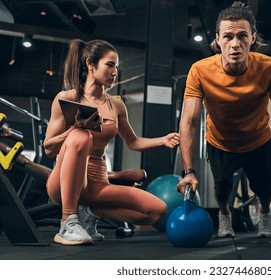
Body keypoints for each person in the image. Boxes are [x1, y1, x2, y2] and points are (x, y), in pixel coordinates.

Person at [177, 1, 271, 238]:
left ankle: (266, 213)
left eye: (242, 36)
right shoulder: (200, 70)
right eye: (227, 36)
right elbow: (189, 121)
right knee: (222, 190)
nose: (235, 44)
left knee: (263, 188)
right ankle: (225, 214)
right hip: (220, 142)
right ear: (217, 40)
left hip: (258, 140)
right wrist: (188, 171)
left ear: (253, 38)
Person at [43, 39, 180, 246]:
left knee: (157, 211)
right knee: (81, 136)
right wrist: (75, 128)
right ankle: (68, 221)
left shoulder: (116, 105)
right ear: (90, 64)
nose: (115, 71)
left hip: (98, 184)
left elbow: (133, 142)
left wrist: (163, 140)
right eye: (110, 65)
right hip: (62, 185)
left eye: (117, 66)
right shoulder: (67, 98)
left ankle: (90, 212)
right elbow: (49, 149)